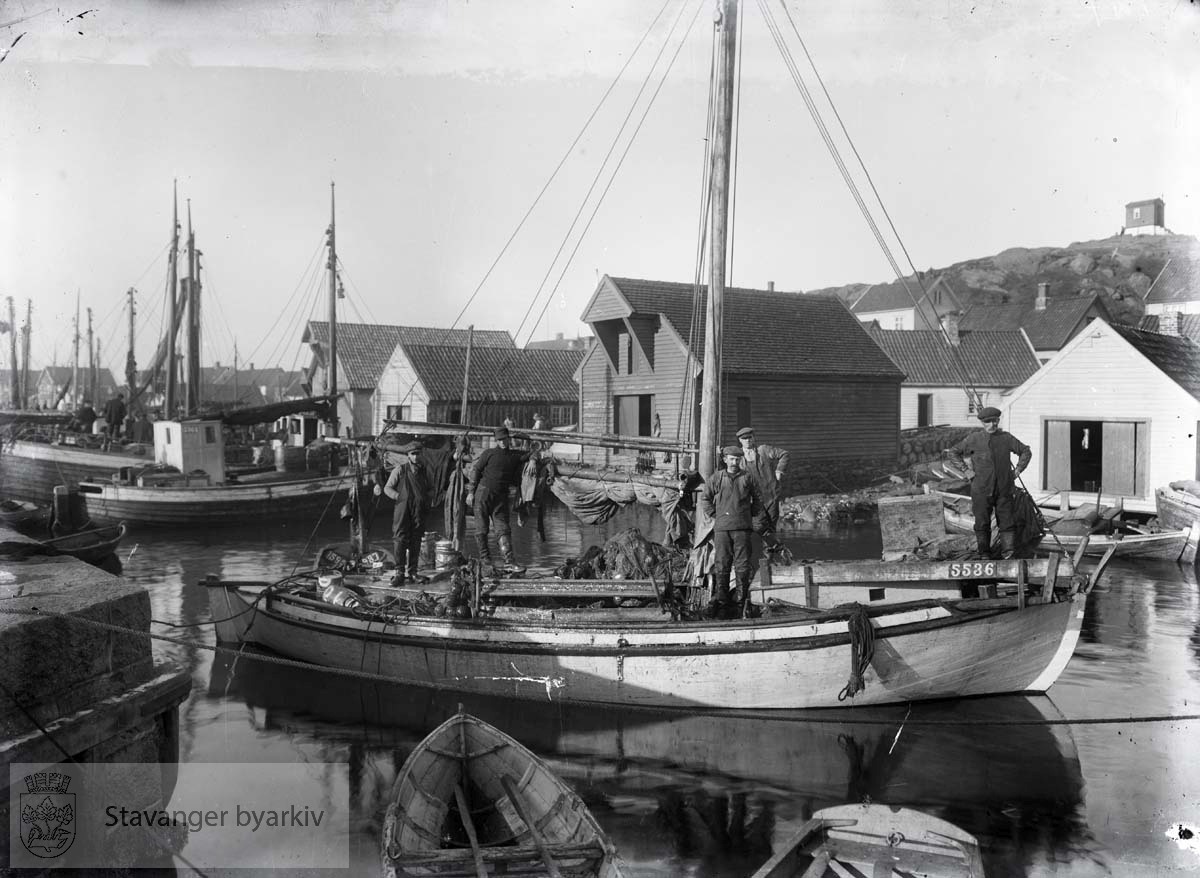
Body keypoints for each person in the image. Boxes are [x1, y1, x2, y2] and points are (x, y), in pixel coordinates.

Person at [946, 406, 1032, 559]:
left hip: (1004, 489)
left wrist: (1018, 470)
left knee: (1007, 522)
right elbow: (953, 453)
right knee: (982, 523)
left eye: (994, 421)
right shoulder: (973, 439)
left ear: (998, 420)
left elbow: (1025, 451)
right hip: (981, 489)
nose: (992, 425)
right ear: (982, 423)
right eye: (987, 422)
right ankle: (984, 553)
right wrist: (966, 471)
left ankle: (1008, 554)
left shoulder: (1006, 438)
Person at [700, 445, 767, 619]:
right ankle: (722, 602)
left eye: (737, 459)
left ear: (741, 460)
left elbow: (759, 499)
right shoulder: (717, 478)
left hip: (742, 530)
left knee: (742, 566)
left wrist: (748, 516)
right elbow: (705, 499)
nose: (734, 462)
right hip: (722, 529)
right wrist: (717, 514)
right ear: (725, 460)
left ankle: (740, 601)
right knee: (722, 565)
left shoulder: (747, 478)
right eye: (731, 458)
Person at [467, 426, 528, 572]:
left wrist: (532, 461)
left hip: (501, 497)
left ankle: (509, 562)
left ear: (509, 439)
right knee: (482, 528)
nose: (502, 442)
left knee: (503, 529)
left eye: (504, 439)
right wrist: (471, 492)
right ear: (496, 440)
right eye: (499, 440)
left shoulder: (514, 456)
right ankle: (486, 561)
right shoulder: (489, 453)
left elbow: (533, 454)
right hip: (483, 493)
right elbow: (476, 470)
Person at [383, 442, 433, 585]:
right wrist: (398, 497)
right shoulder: (400, 469)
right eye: (413, 454)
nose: (416, 457)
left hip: (418, 509)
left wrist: (426, 499)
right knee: (400, 539)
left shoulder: (425, 471)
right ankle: (399, 572)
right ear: (408, 455)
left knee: (416, 539)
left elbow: (431, 488)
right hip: (402, 508)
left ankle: (413, 572)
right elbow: (387, 488)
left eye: (418, 453)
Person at [735, 426, 789, 532]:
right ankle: (761, 547)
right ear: (740, 440)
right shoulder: (738, 457)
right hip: (753, 499)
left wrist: (779, 470)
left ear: (754, 438)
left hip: (771, 496)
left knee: (771, 526)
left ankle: (771, 548)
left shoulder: (763, 450)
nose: (748, 440)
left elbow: (784, 454)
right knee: (758, 527)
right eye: (744, 438)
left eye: (750, 437)